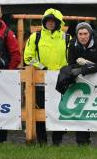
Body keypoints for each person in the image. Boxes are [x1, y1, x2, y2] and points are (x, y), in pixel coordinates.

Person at [24, 8, 68, 145]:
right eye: (47, 21)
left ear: (58, 23)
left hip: (61, 82)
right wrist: (42, 67)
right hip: (40, 82)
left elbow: (72, 58)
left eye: (53, 21)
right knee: (39, 113)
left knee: (59, 111)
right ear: (44, 22)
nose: (50, 23)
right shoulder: (35, 37)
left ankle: (57, 142)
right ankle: (42, 142)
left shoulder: (67, 37)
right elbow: (28, 57)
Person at [65, 22, 97, 145]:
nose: (83, 37)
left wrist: (84, 67)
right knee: (82, 109)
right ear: (77, 35)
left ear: (90, 33)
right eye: (80, 34)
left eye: (85, 34)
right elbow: (71, 63)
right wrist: (78, 67)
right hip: (82, 82)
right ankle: (82, 141)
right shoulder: (73, 43)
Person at [0, 5, 21, 143]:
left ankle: (1, 140)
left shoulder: (7, 32)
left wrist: (7, 73)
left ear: (0, 14)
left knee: (2, 108)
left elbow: (16, 55)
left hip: (2, 76)